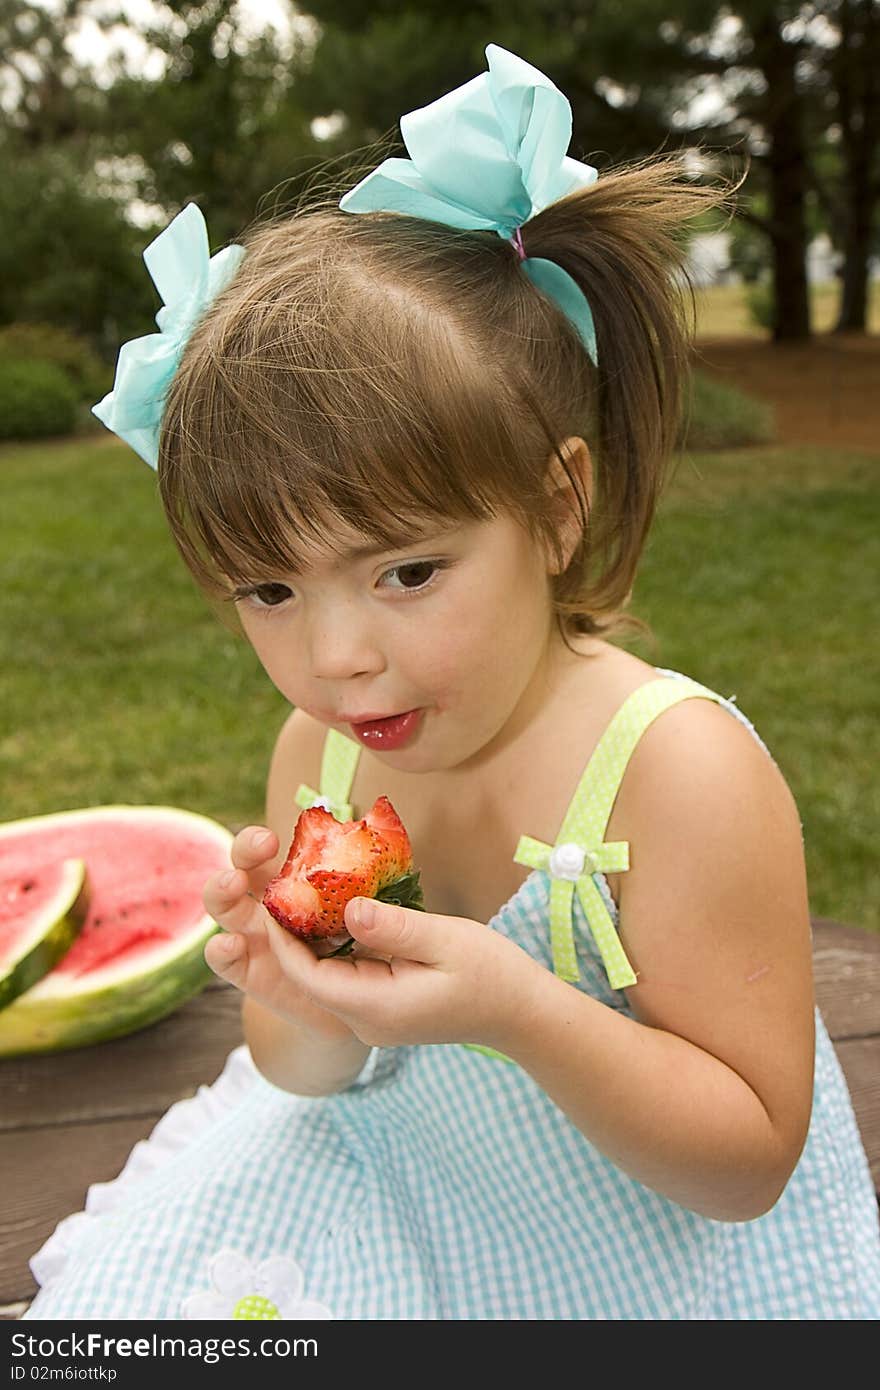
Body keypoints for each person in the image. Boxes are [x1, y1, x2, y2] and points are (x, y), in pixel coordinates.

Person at [24, 43, 880, 1321]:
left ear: (555, 505)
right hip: (405, 1185)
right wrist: (297, 992)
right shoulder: (319, 754)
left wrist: (519, 1010)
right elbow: (303, 1077)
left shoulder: (671, 771)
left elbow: (750, 1159)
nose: (335, 657)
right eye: (269, 590)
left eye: (407, 571)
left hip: (649, 1250)